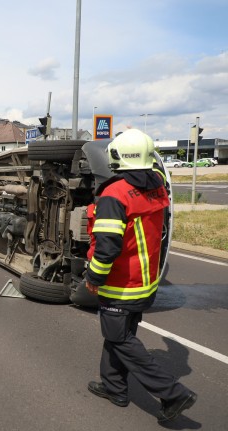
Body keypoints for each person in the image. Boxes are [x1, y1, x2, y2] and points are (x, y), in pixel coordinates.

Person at [85, 129, 197, 422]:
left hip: (121, 284)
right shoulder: (157, 186)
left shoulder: (114, 194)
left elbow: (107, 248)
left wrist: (93, 278)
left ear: (116, 157)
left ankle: (174, 394)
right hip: (146, 281)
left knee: (121, 339)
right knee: (119, 335)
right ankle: (114, 388)